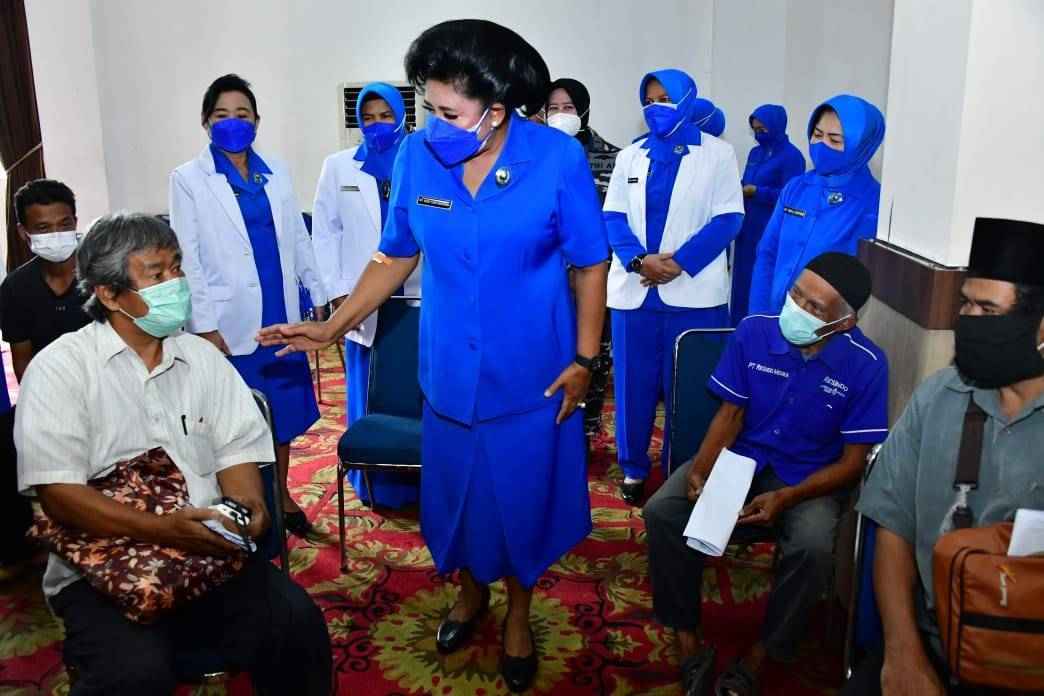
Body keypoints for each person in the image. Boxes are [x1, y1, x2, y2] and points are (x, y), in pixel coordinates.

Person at [258, 20, 608, 693]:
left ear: (496, 109)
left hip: (533, 376)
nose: (434, 124)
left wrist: (585, 361)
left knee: (523, 504)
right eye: (430, 106)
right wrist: (333, 325)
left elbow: (591, 264)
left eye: (450, 111)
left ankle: (518, 614)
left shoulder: (555, 159)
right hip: (448, 375)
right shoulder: (418, 156)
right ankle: (473, 595)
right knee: (462, 500)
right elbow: (394, 254)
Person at [14, 213, 331, 695]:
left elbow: (237, 458)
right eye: (157, 273)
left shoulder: (204, 360)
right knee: (134, 675)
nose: (177, 283)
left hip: (207, 550)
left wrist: (248, 514)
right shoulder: (60, 369)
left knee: (297, 623)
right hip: (105, 567)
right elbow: (58, 493)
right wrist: (161, 529)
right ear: (109, 294)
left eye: (177, 267)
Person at [644, 252, 888, 696]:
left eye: (815, 308)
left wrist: (787, 498)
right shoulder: (755, 331)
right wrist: (702, 470)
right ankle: (686, 637)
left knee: (813, 546)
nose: (797, 308)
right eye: (796, 294)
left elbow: (853, 463)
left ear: (845, 322)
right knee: (663, 511)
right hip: (743, 458)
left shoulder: (867, 365)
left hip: (809, 479)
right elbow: (730, 414)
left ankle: (765, 652)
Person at [844, 218, 1044, 696]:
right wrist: (903, 653)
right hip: (930, 639)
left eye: (988, 310)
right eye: (965, 304)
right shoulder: (937, 397)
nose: (969, 321)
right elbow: (893, 526)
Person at [169, 74, 328, 538]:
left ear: (257, 121)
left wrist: (316, 290)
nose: (233, 122)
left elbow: (297, 236)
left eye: (243, 114)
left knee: (284, 414)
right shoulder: (188, 179)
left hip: (280, 312)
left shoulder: (275, 170)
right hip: (228, 320)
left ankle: (281, 494)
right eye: (222, 115)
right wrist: (204, 325)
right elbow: (186, 256)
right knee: (237, 422)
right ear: (206, 122)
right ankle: (247, 503)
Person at [604, 69, 744, 505]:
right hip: (635, 290)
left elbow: (729, 218)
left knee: (688, 389)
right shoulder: (631, 155)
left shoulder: (718, 154)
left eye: (665, 98)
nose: (656, 108)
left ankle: (679, 469)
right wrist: (638, 261)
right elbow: (613, 217)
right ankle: (633, 468)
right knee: (632, 385)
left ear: (686, 100)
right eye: (649, 100)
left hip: (694, 295)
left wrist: (679, 263)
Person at [311, 82, 422, 508]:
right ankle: (372, 483)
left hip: (419, 297)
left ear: (402, 116)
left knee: (416, 392)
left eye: (386, 116)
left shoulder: (423, 161)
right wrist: (338, 291)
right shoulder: (338, 166)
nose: (378, 124)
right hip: (362, 299)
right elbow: (325, 232)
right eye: (369, 117)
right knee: (369, 391)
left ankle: (419, 481)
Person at [748, 94, 884, 314]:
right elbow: (767, 253)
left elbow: (853, 283)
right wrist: (758, 315)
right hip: (772, 314)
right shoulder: (797, 188)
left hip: (820, 323)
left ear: (860, 146)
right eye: (817, 135)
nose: (822, 145)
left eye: (835, 140)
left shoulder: (872, 202)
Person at [545, 77, 620, 442]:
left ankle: (587, 431)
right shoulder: (534, 157)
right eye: (553, 108)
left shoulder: (613, 157)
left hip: (595, 277)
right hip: (545, 279)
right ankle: (550, 427)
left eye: (569, 108)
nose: (561, 115)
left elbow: (617, 221)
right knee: (547, 354)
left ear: (584, 111)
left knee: (594, 356)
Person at [0, 179, 90, 381]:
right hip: (50, 387)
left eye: (64, 224)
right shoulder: (15, 288)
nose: (56, 234)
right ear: (23, 232)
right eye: (43, 228)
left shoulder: (101, 274)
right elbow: (22, 362)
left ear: (75, 222)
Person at [731, 105, 806, 324]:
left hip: (770, 227)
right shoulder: (755, 153)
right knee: (741, 281)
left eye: (762, 129)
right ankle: (737, 329)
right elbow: (747, 181)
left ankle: (759, 328)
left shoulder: (792, 157)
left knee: (761, 282)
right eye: (755, 130)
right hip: (747, 227)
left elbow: (791, 196)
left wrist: (757, 192)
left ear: (776, 126)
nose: (758, 134)